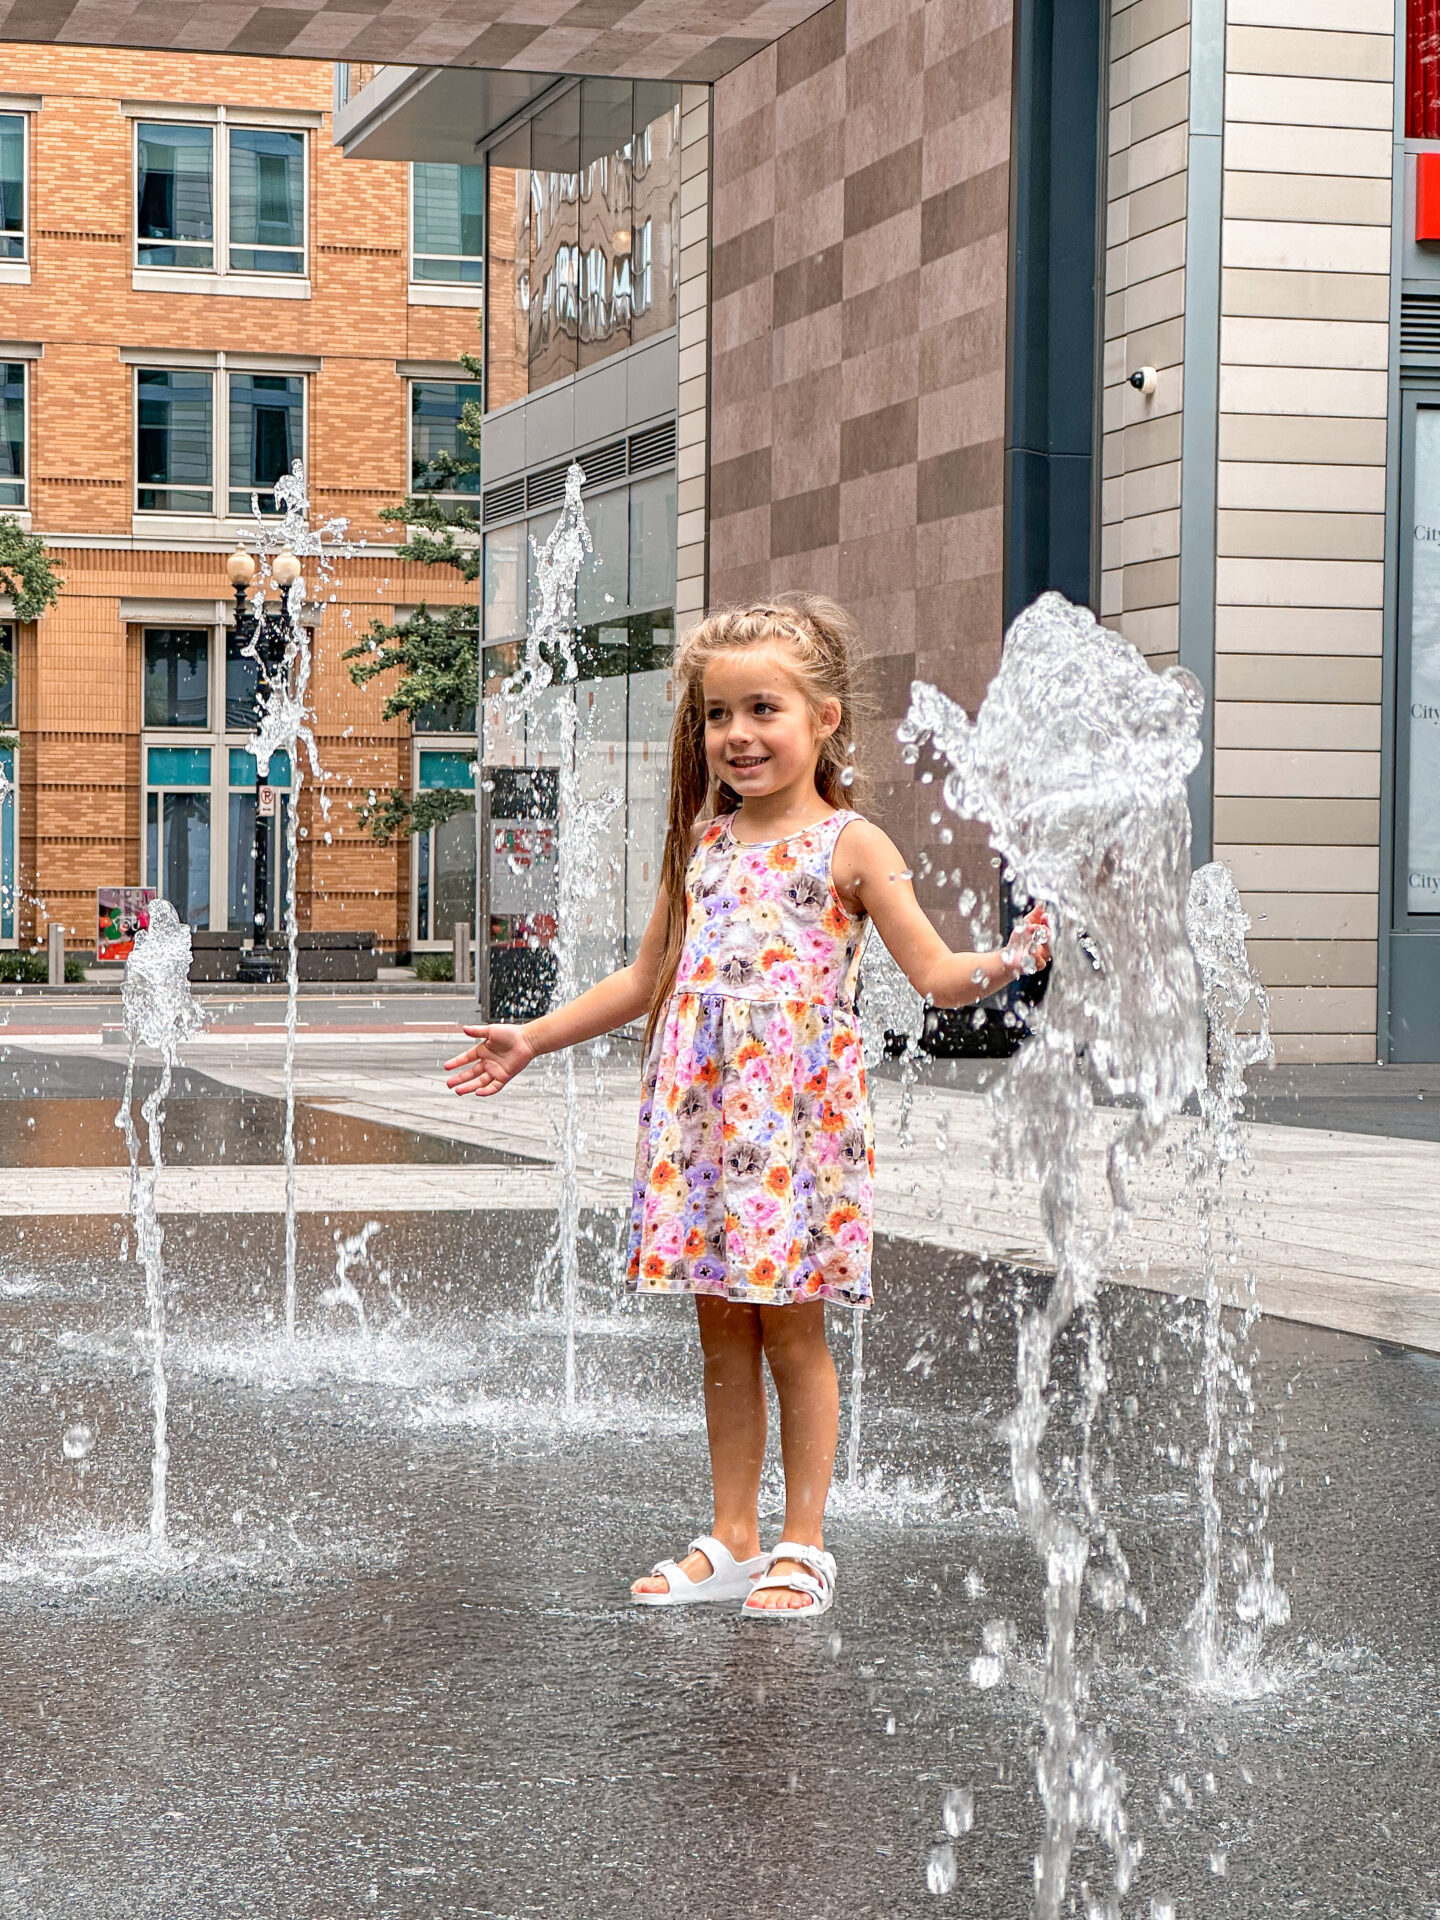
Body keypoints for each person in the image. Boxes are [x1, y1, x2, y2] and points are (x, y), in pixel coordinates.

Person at [444, 597, 1049, 1620]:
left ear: (823, 718)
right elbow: (646, 981)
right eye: (717, 716)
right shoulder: (703, 843)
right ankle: (731, 1533)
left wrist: (1016, 955)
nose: (736, 734)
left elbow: (937, 973)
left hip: (792, 1132)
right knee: (721, 1327)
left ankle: (803, 1541)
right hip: (701, 1123)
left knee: (792, 1332)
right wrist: (533, 1037)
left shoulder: (850, 845)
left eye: (761, 709)